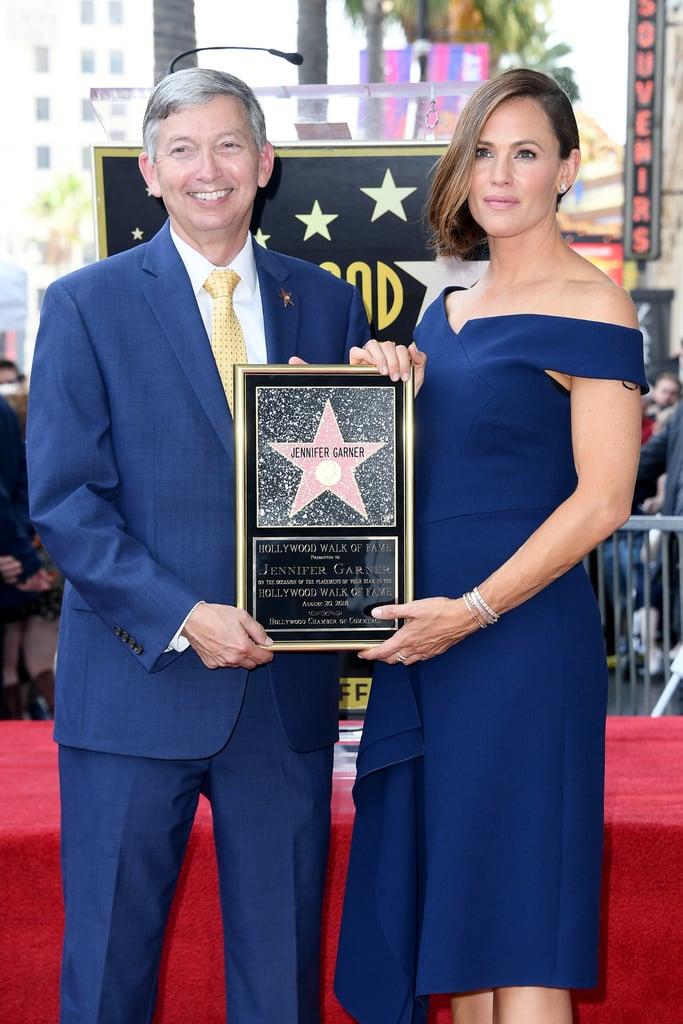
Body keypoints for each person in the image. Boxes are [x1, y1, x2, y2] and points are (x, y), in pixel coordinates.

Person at [26, 67, 371, 1024]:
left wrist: (401, 397)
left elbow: (347, 502)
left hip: (281, 690)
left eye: (227, 146)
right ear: (149, 170)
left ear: (264, 164)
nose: (205, 169)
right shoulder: (86, 305)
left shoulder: (328, 305)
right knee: (106, 975)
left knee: (280, 980)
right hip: (136, 687)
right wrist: (184, 616)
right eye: (182, 149)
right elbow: (67, 502)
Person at [334, 69, 646, 1024]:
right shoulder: (443, 311)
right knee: (458, 936)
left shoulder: (596, 307)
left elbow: (601, 501)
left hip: (514, 643)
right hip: (429, 645)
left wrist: (471, 612)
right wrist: (393, 391)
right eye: (482, 150)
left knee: (519, 932)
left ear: (566, 170)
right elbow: (442, 474)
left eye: (525, 152)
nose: (499, 174)